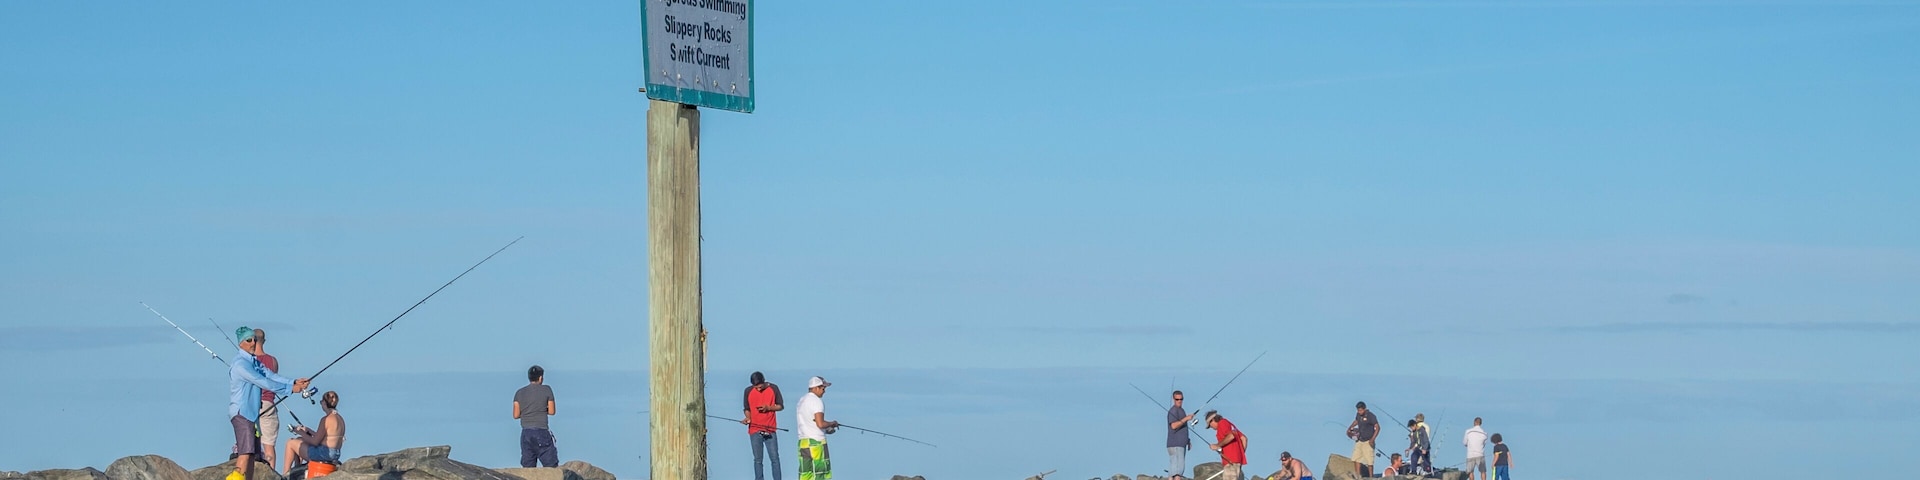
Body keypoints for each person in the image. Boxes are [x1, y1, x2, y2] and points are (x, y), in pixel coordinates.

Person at [227, 327, 310, 480]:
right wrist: (291, 389)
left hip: (253, 415)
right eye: (249, 340)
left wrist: (293, 382)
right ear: (241, 344)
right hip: (242, 414)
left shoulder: (253, 362)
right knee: (244, 454)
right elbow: (264, 382)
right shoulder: (241, 365)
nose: (253, 343)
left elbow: (270, 375)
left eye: (254, 339)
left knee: (253, 456)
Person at [282, 391, 347, 475]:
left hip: (323, 454)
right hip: (335, 454)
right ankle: (297, 470)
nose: (321, 404)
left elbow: (315, 442)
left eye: (321, 401)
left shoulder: (326, 419)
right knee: (299, 440)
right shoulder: (340, 419)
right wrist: (309, 431)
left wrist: (300, 432)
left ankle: (285, 475)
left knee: (290, 442)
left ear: (324, 402)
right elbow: (326, 437)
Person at [742, 372, 785, 480]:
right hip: (754, 430)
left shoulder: (773, 388)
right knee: (757, 459)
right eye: (756, 387)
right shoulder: (748, 391)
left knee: (774, 458)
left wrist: (768, 408)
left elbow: (780, 406)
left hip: (770, 429)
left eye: (760, 386)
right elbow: (747, 409)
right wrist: (748, 418)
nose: (758, 389)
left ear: (764, 381)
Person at [513, 365, 558, 468]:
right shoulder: (547, 389)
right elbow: (552, 411)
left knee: (528, 467)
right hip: (541, 430)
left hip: (526, 433)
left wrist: (527, 412)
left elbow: (516, 415)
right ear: (541, 378)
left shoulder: (519, 393)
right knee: (551, 466)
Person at [795, 376, 839, 480]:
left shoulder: (802, 400)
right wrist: (832, 423)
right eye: (823, 388)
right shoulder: (817, 401)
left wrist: (826, 427)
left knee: (806, 474)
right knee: (821, 473)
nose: (824, 392)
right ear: (816, 388)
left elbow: (811, 421)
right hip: (817, 442)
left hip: (803, 442)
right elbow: (820, 424)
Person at [254, 329, 282, 470]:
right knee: (269, 446)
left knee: (250, 444)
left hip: (252, 404)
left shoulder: (248, 360)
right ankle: (271, 474)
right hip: (269, 403)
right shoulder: (273, 360)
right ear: (264, 341)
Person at [1204, 411, 1247, 480]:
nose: (1211, 428)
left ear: (1212, 420)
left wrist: (1217, 445)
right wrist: (1239, 456)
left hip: (1230, 462)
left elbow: (1231, 436)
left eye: (1210, 425)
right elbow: (1244, 439)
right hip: (1236, 462)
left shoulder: (1222, 423)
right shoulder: (1230, 425)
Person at [1347, 402, 1380, 477]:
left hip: (1368, 441)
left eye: (1361, 410)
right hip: (1359, 440)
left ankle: (1371, 477)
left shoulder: (1371, 416)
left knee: (1369, 461)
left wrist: (1372, 439)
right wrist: (1350, 428)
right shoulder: (1358, 415)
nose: (1359, 412)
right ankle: (1358, 476)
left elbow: (1378, 428)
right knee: (1356, 458)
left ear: (1364, 409)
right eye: (1358, 410)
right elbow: (1356, 421)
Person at [1166, 391, 1194, 480]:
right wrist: (1186, 418)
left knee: (1173, 472)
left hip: (1179, 444)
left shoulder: (1181, 410)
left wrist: (1187, 440)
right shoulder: (1173, 410)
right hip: (1176, 445)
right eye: (1177, 399)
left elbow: (1182, 428)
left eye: (1181, 399)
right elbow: (1173, 426)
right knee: (1177, 473)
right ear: (1173, 399)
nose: (1179, 401)